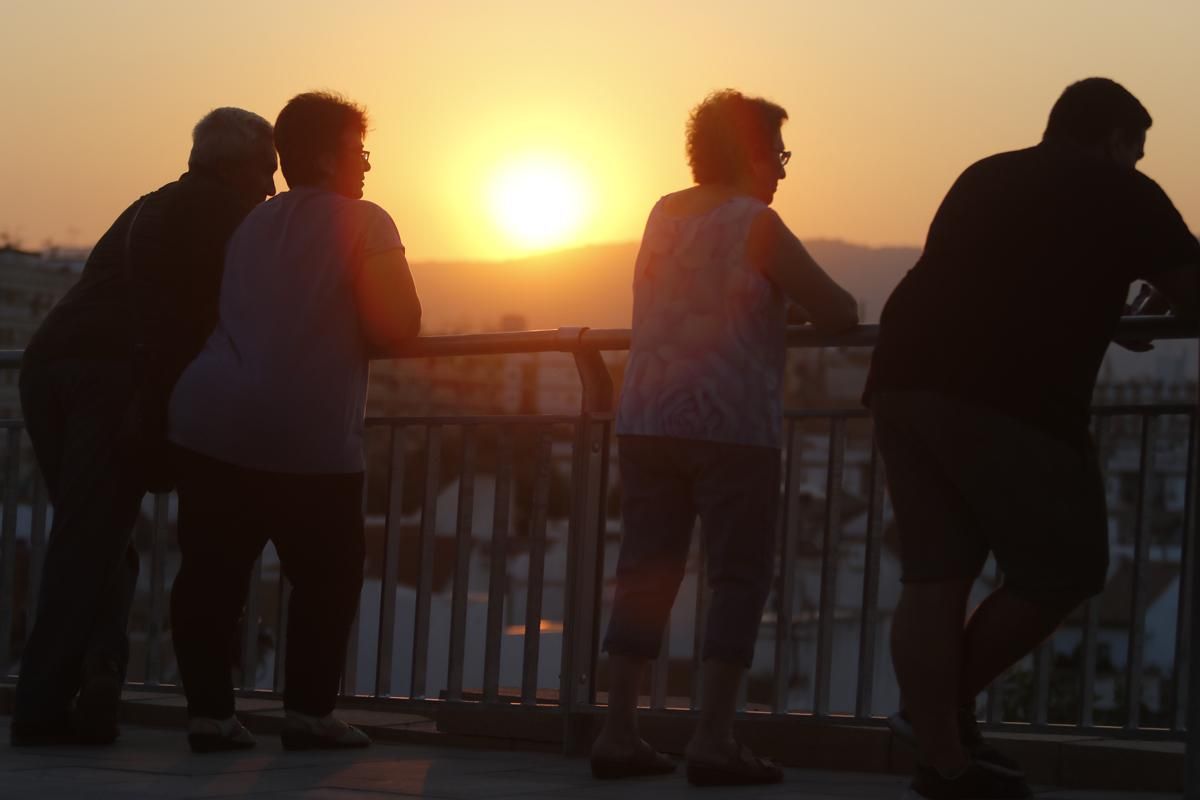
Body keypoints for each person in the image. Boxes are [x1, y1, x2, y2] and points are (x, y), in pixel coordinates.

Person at [863, 77, 1200, 800]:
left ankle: (944, 759)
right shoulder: (1123, 193)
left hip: (900, 377)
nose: (1137, 164)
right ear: (1114, 139)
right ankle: (935, 715)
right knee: (1067, 569)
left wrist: (1101, 309)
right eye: (1135, 151)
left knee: (936, 572)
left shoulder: (984, 175)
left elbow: (1005, 281)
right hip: (1008, 396)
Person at [591, 89, 859, 786]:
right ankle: (712, 738)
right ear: (749, 152)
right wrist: (786, 312)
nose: (783, 169)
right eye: (777, 152)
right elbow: (837, 307)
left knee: (646, 573)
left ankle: (618, 731)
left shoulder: (661, 212)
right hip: (731, 424)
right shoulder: (755, 221)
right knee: (737, 577)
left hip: (646, 415)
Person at [12, 108, 277, 746]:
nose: (271, 187)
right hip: (111, 382)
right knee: (88, 545)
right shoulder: (234, 219)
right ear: (240, 167)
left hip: (49, 365)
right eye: (266, 171)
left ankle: (97, 674)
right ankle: (43, 706)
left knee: (95, 535)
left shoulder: (147, 206)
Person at [167, 91, 421, 753]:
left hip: (210, 419)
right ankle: (309, 715)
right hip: (305, 429)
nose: (367, 163)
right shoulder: (366, 222)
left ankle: (210, 715)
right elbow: (398, 325)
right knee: (328, 574)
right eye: (358, 149)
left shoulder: (254, 221)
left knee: (211, 575)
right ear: (324, 154)